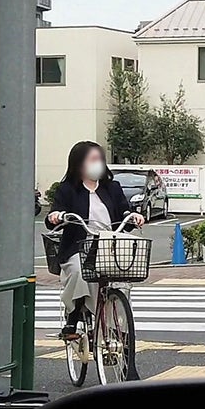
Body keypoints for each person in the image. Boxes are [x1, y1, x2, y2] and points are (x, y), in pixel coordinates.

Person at [46, 140, 144, 341]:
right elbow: (53, 215)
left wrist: (132, 216)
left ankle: (116, 326)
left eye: (100, 159)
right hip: (78, 246)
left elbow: (123, 210)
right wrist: (56, 216)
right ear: (79, 163)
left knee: (121, 281)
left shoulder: (112, 187)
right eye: (93, 159)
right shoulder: (67, 189)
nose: (98, 163)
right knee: (79, 272)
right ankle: (73, 315)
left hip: (109, 245)